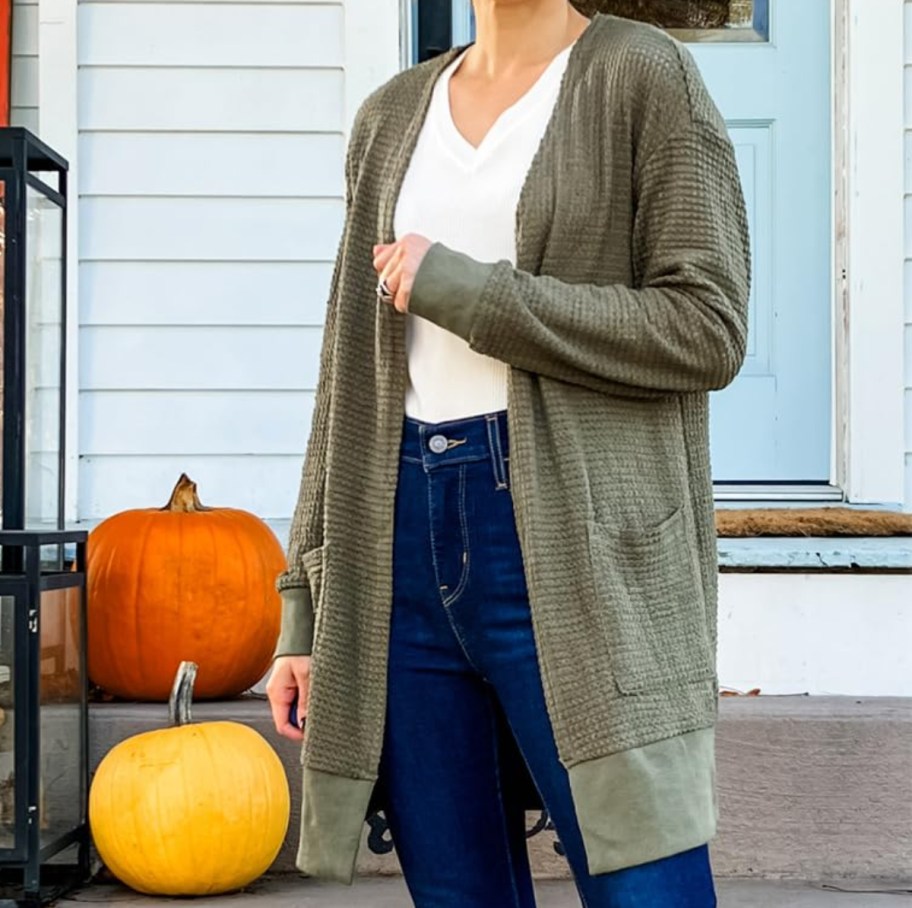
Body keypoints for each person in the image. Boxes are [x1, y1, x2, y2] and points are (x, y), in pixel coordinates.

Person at [266, 1, 751, 905]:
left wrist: (471, 293)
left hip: (576, 550)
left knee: (650, 886)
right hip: (398, 549)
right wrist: (304, 608)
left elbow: (706, 325)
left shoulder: (641, 75)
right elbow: (347, 382)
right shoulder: (389, 115)